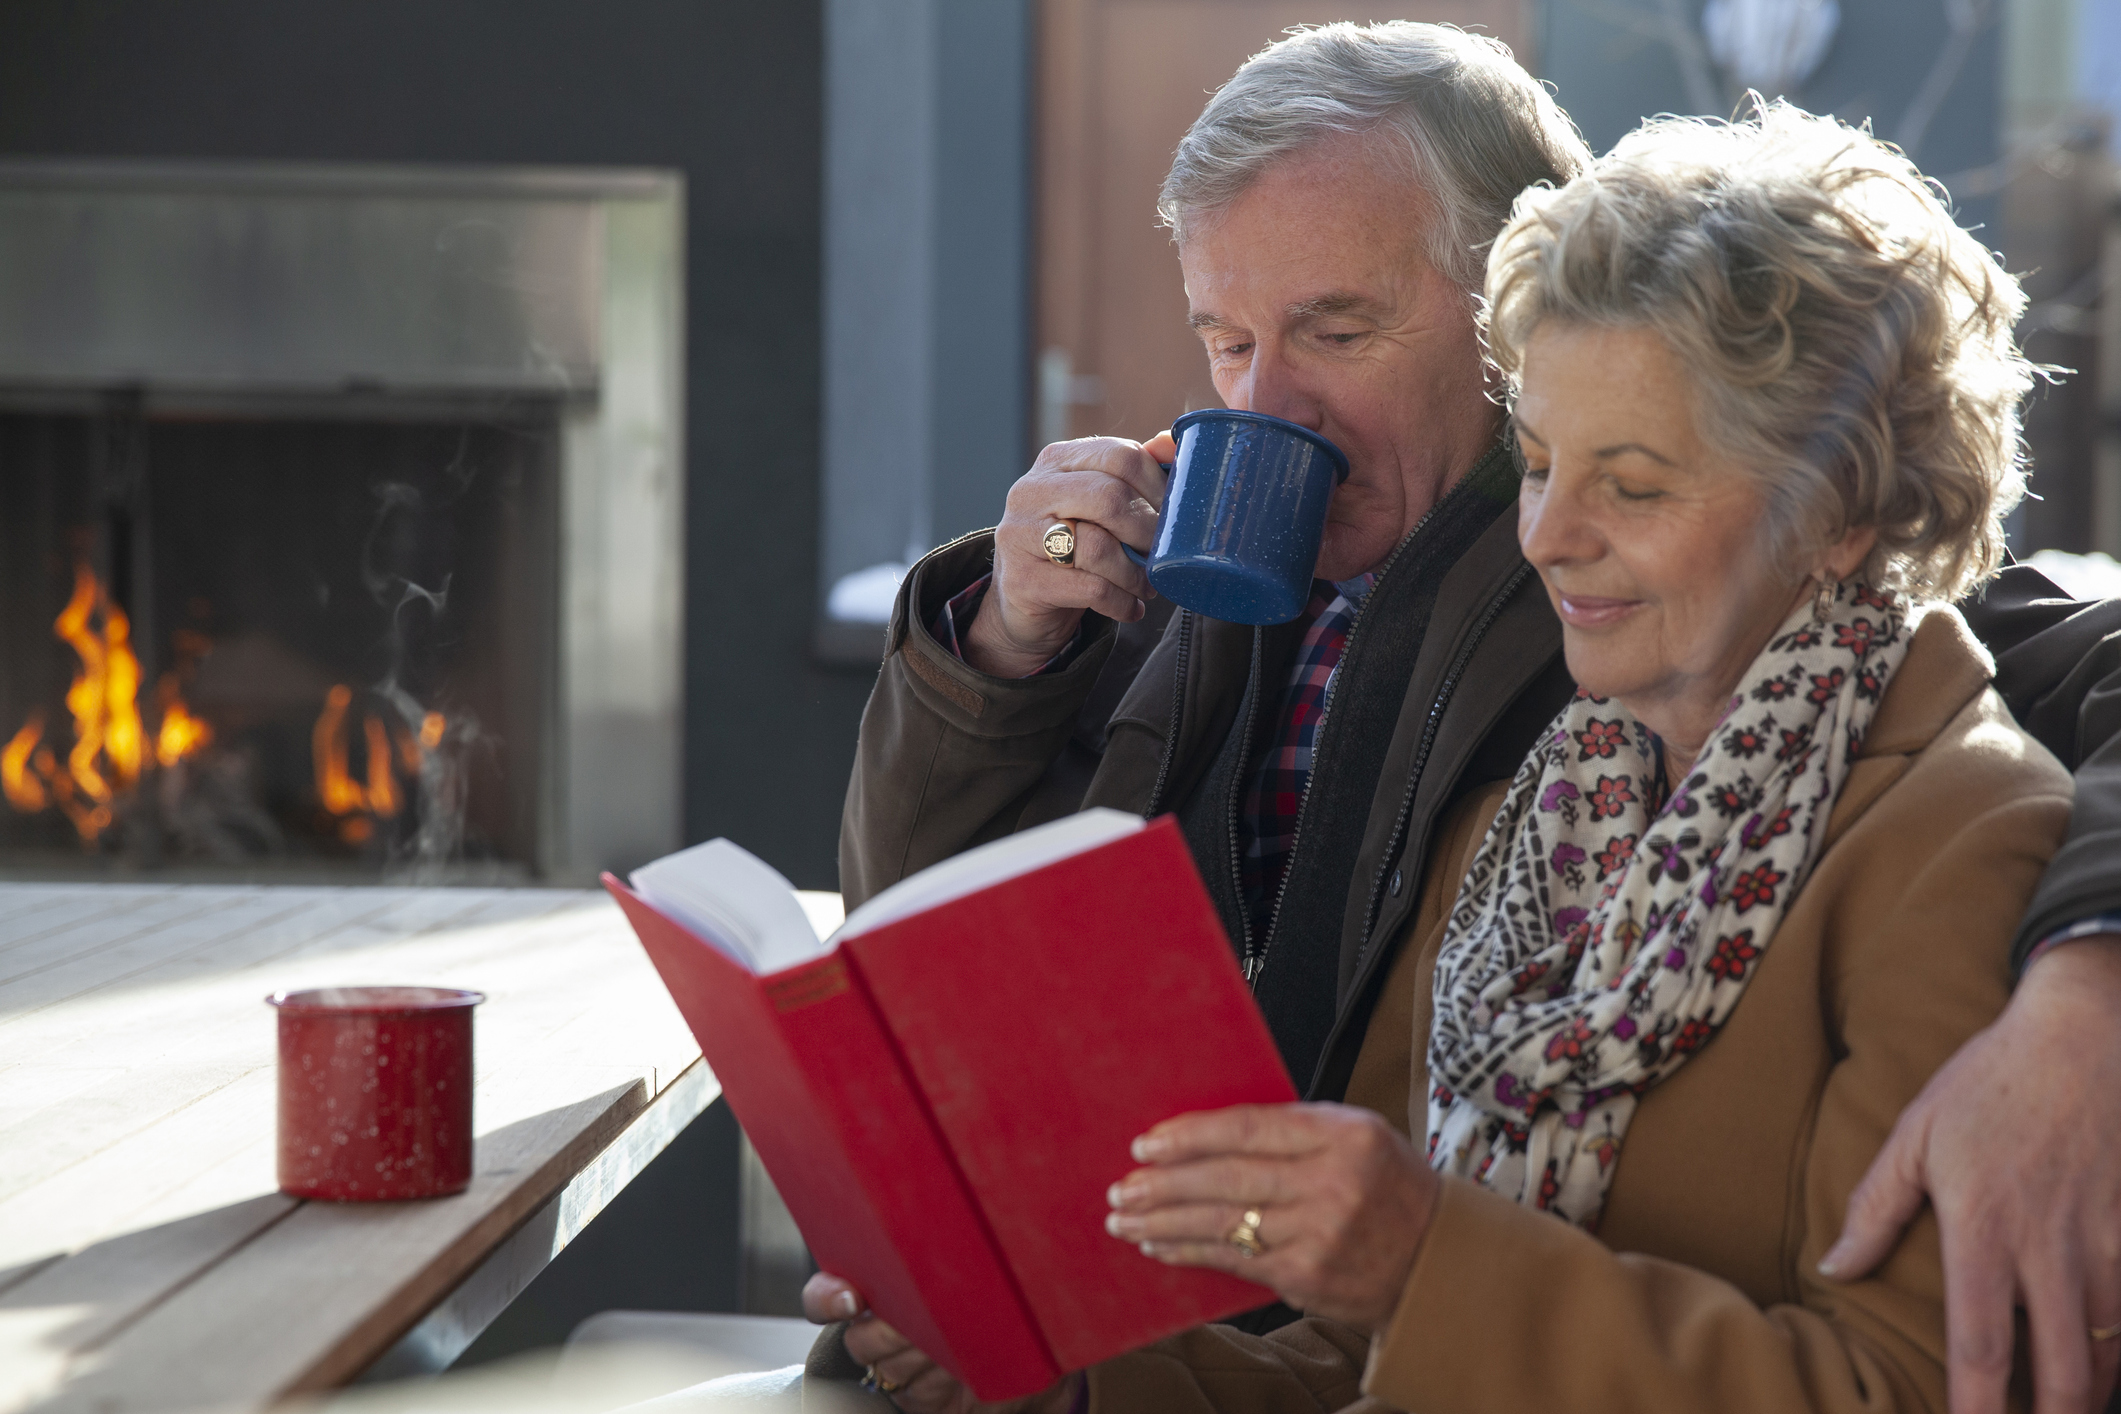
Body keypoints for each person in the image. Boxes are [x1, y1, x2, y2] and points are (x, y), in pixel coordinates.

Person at [826, 23, 2121, 1412]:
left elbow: (1907, 1381)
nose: (1550, 535)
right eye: (1223, 340)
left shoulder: (1927, 812)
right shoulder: (1545, 808)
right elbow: (1353, 1348)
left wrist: (2091, 980)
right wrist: (1053, 1374)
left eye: (1627, 482)